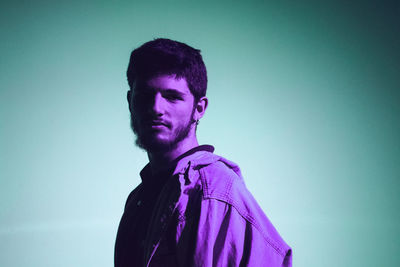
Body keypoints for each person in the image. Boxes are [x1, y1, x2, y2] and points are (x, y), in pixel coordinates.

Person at [114, 38, 292, 267]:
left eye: (172, 97)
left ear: (199, 108)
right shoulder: (138, 199)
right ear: (130, 102)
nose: (156, 108)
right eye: (145, 96)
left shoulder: (214, 190)